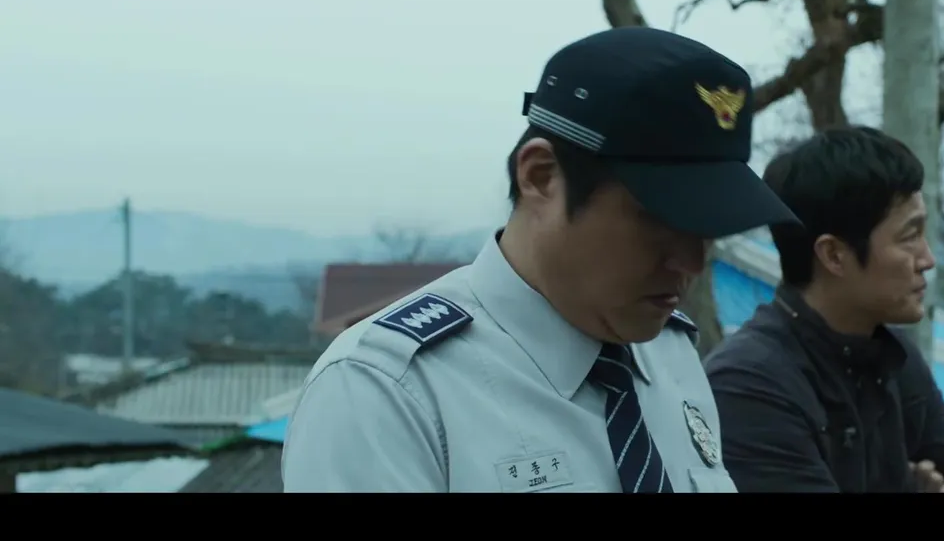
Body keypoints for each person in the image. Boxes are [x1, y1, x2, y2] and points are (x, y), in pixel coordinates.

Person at [281, 26, 800, 492]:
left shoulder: (671, 356)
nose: (691, 263)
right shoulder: (387, 393)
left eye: (708, 229)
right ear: (541, 178)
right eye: (660, 220)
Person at [704, 125, 944, 493]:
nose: (928, 259)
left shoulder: (893, 358)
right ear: (834, 255)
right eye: (909, 236)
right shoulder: (750, 387)